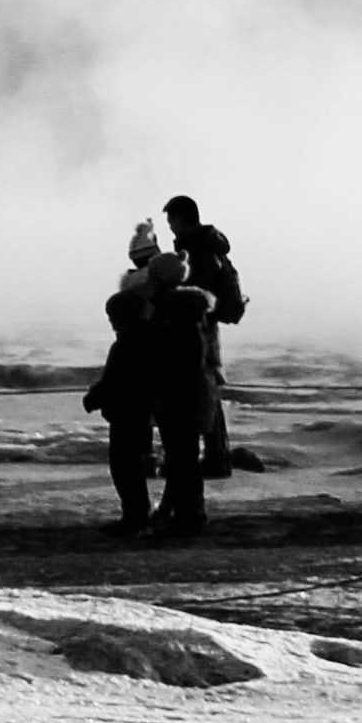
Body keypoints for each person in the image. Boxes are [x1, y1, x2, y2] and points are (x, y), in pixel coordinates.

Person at [98, 226, 220, 540]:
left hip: (177, 398)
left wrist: (158, 392)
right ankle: (184, 516)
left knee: (181, 460)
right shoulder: (183, 313)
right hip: (182, 396)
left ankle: (187, 518)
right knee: (182, 459)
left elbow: (174, 364)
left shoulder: (173, 318)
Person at [164, 194, 247, 470]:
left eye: (171, 221)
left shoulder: (197, 250)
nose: (170, 227)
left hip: (199, 328)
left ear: (180, 219)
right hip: (206, 329)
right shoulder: (209, 246)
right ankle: (216, 455)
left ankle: (215, 457)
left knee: (203, 390)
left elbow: (196, 293)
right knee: (207, 388)